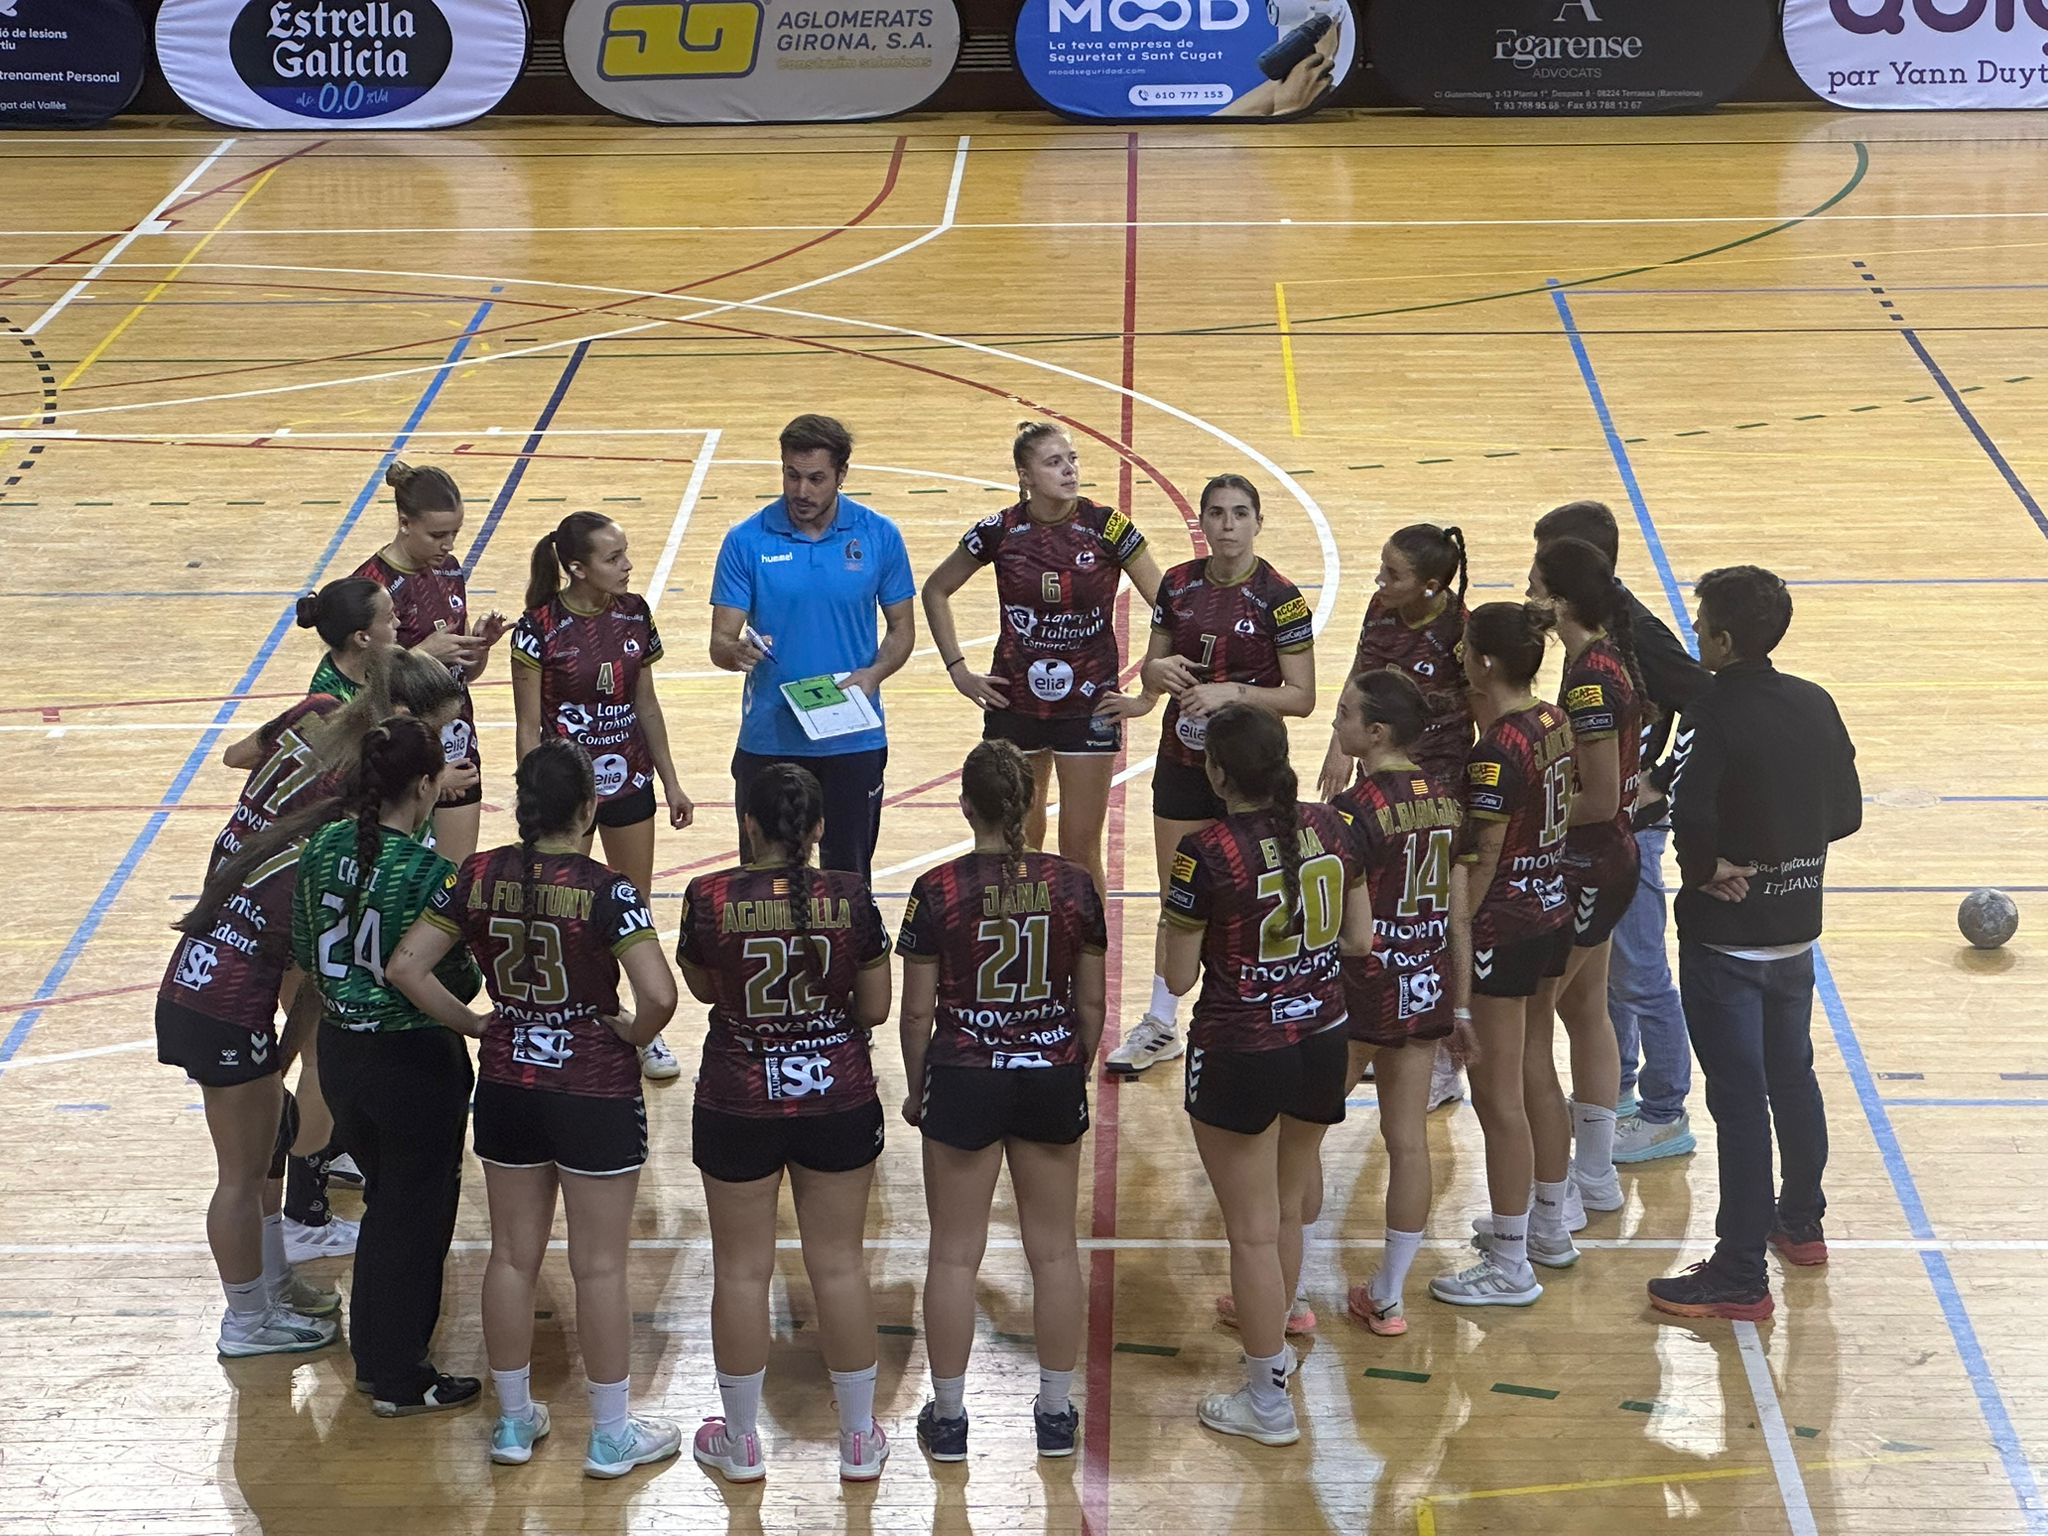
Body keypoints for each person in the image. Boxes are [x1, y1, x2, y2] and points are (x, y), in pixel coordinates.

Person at [388, 738, 683, 1477]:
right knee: (600, 1267)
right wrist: (632, 1035)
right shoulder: (607, 889)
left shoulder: (477, 874)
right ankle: (610, 1436)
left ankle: (515, 1423)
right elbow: (659, 995)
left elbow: (406, 967)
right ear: (589, 808)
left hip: (508, 1081)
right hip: (592, 1088)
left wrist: (475, 1023)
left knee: (513, 1257)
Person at [1648, 567, 1859, 1321]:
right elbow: (1846, 814)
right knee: (1793, 1079)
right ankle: (1799, 1223)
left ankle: (1739, 1272)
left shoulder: (1710, 708)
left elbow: (1688, 806)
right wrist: (1785, 854)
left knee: (1739, 1105)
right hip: (1795, 934)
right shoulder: (1815, 700)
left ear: (1724, 639)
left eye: (1701, 621)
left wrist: (1706, 867)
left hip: (1728, 942)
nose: (1695, 631)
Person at [676, 764, 894, 1483]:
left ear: (748, 825)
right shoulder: (851, 895)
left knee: (741, 1271)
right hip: (838, 1094)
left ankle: (741, 1443)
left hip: (737, 1097)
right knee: (840, 1265)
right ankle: (858, 1440)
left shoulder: (708, 895)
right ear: (819, 829)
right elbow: (875, 1007)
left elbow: (703, 988)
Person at [1159, 706, 1370, 1447]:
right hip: (1324, 1035)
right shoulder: (1333, 826)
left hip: (1242, 1046)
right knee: (1284, 1209)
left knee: (1250, 1233)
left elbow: (1177, 978)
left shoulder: (1205, 852)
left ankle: (1267, 1400)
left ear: (1218, 773)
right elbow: (1360, 938)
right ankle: (1273, 1352)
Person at [897, 741, 1107, 1463]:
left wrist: (918, 1088)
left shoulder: (937, 888)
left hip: (963, 1076)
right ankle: (1054, 1413)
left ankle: (950, 1419)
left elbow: (916, 1012)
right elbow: (1092, 1003)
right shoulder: (1074, 885)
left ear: (966, 806)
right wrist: (1070, 1066)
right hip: (1050, 1071)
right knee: (1054, 1252)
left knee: (955, 1256)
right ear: (1031, 805)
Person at [291, 715, 485, 1416]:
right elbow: (459, 979)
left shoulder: (322, 847)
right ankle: (400, 1376)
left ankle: (376, 1360)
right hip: (414, 1063)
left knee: (385, 1206)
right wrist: (472, 1022)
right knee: (416, 1219)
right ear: (428, 786)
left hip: (342, 1055)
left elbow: (306, 950)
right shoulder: (431, 875)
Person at [1104, 473, 1315, 1078]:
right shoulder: (1176, 584)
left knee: (1255, 892)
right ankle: (1161, 1021)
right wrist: (1151, 683)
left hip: (1251, 772)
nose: (1228, 525)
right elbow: (1154, 669)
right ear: (1202, 522)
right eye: (1218, 513)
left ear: (1258, 522)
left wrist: (1232, 692)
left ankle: (1266, 1009)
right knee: (1177, 893)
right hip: (1182, 762)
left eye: (1240, 513)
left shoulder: (1280, 598)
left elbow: (1302, 697)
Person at [1532, 501, 1711, 1164]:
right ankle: (1622, 1095)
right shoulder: (1595, 638)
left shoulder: (1635, 638)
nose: (1532, 579)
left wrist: (1660, 778)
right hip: (1606, 829)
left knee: (1641, 976)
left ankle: (1666, 1112)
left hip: (1632, 830)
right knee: (1608, 983)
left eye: (1543, 564)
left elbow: (1708, 703)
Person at [921, 421, 1163, 899]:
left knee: (1079, 851)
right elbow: (935, 589)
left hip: (1088, 707)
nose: (1070, 470)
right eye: (1054, 462)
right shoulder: (999, 531)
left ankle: (1089, 943)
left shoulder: (1108, 527)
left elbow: (1168, 606)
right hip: (1015, 705)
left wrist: (1148, 694)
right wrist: (958, 671)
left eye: (1072, 459)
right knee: (1018, 847)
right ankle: (1025, 936)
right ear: (1024, 475)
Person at [158, 797, 348, 1359]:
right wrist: (284, 1059)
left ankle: (272, 1282)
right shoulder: (324, 866)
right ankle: (246, 1320)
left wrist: (276, 1068)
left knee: (269, 1147)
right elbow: (314, 985)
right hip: (220, 1013)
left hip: (199, 996)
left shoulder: (280, 843)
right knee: (240, 1179)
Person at [514, 511, 695, 1083]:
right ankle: (571, 1019)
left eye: (625, 554)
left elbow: (647, 705)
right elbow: (527, 726)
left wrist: (670, 780)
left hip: (630, 783)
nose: (627, 566)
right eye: (613, 558)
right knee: (562, 907)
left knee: (631, 906)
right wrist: (531, 797)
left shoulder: (636, 613)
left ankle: (646, 1028)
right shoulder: (537, 627)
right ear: (577, 567)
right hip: (566, 794)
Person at [1430, 603, 1574, 1308]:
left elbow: (1483, 859)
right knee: (1535, 1070)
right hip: (1552, 913)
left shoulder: (1497, 750)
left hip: (1505, 930)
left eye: (1465, 648)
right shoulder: (1554, 719)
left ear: (1484, 662)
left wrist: (1453, 936)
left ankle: (1512, 1263)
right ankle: (1546, 1225)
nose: (1459, 658)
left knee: (1497, 1096)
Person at [708, 416, 917, 882]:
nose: (801, 491)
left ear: (842, 474)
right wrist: (735, 652)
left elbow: (902, 629)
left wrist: (874, 675)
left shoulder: (879, 535)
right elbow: (721, 642)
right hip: (770, 741)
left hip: (853, 738)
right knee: (764, 884)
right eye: (792, 475)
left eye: (816, 478)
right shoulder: (746, 541)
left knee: (849, 880)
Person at [1327, 670, 1467, 1337]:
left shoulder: (1352, 810)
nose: (1337, 725)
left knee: (1300, 1138)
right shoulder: (1447, 803)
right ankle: (1388, 1297)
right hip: (1427, 980)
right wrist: (1460, 1006)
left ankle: (1284, 1297)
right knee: (1408, 1142)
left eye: (1344, 715)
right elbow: (1459, 916)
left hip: (1362, 985)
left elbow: (1340, 918)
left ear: (1376, 732)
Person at [1317, 523, 1473, 1114]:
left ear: (1431, 585)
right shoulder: (1381, 610)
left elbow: (1482, 699)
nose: (1380, 581)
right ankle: (1381, 1029)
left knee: (1429, 908)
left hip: (1440, 777)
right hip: (1381, 770)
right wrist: (1338, 744)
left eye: (1393, 574)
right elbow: (1362, 674)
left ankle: (1437, 1057)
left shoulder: (1458, 630)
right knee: (1381, 898)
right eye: (1382, 567)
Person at [1525, 537, 1651, 1236]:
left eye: (1535, 587)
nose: (1528, 598)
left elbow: (1598, 799)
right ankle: (1596, 1177)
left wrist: (1528, 814)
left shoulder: (1590, 681)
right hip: (1607, 863)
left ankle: (1556, 1198)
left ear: (1562, 601)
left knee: (1533, 1022)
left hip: (1590, 864)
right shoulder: (1596, 659)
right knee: (1585, 1010)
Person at [349, 461, 511, 866]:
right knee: (397, 879)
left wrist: (479, 648)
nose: (448, 545)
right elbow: (357, 687)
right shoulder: (370, 586)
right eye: (437, 535)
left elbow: (460, 677)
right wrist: (421, 654)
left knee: (453, 879)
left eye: (455, 533)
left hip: (457, 745)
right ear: (405, 523)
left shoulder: (449, 571)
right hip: (400, 760)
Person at [296, 576, 397, 706]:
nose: (397, 623)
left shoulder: (373, 663)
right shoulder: (328, 702)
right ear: (362, 638)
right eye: (389, 618)